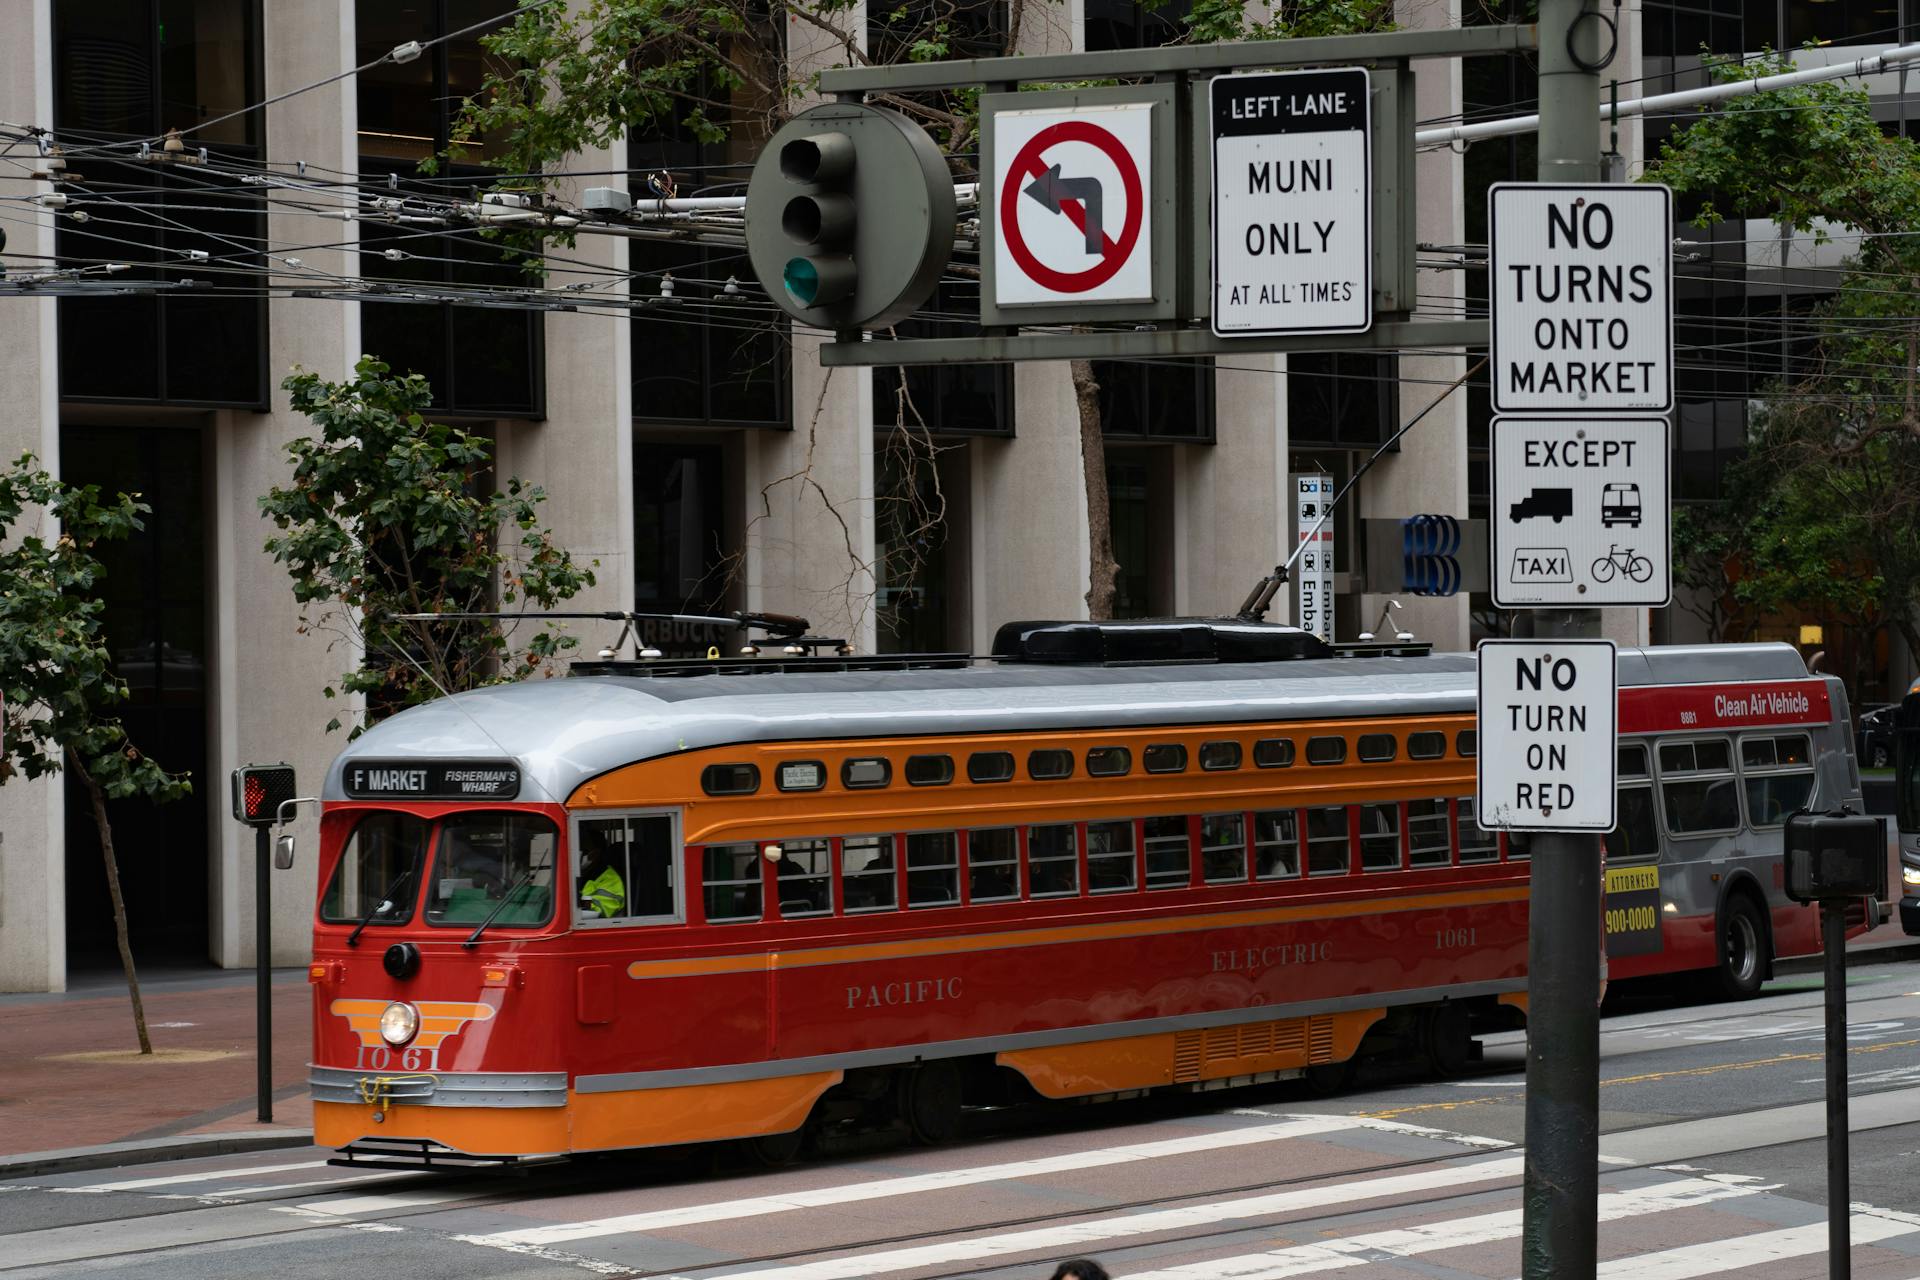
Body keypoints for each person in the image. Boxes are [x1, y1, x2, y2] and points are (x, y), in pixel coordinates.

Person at [577, 830, 625, 918]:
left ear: (596, 853)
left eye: (584, 851)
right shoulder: (585, 873)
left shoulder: (611, 879)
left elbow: (598, 911)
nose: (579, 855)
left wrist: (575, 904)